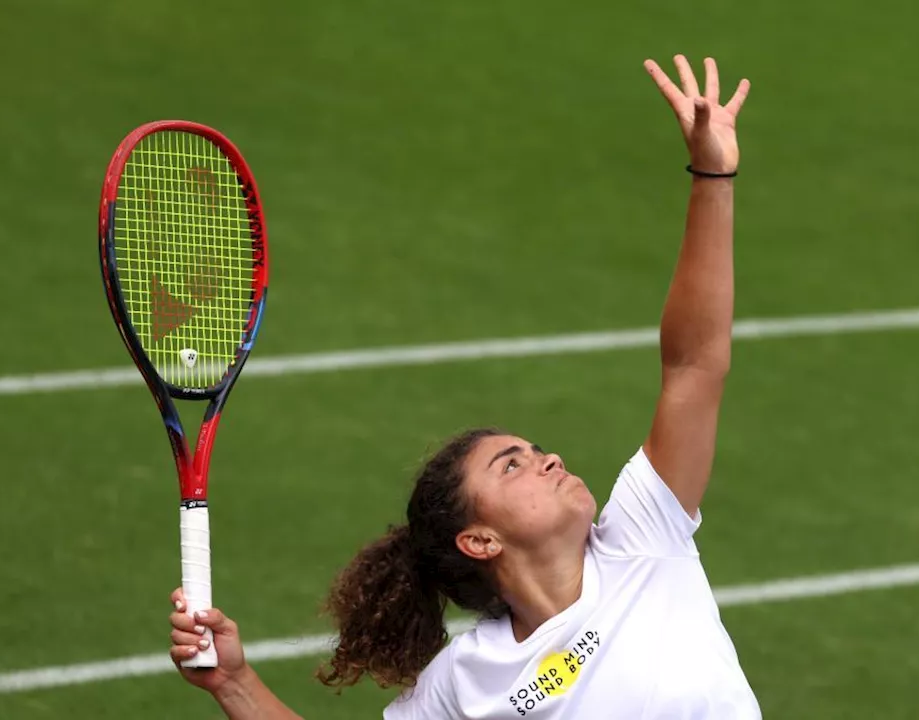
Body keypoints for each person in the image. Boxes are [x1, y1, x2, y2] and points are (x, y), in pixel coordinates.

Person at [167, 53, 758, 719]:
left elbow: (694, 365)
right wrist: (234, 683)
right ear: (480, 541)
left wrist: (713, 175)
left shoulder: (642, 540)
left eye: (533, 451)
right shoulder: (464, 682)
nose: (550, 459)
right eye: (514, 465)